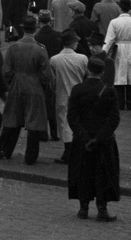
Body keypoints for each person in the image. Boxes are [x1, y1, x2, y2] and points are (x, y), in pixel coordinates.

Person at [67, 56, 121, 222]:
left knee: (83, 172)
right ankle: (102, 210)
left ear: (87, 70)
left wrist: (84, 137)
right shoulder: (110, 91)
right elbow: (114, 119)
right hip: (103, 142)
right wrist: (98, 138)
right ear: (102, 72)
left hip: (82, 142)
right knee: (103, 173)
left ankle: (83, 208)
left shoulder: (77, 90)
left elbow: (72, 117)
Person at [0, 16, 51, 165]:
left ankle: (4, 151)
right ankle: (30, 157)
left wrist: (12, 80)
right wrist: (42, 84)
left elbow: (6, 71)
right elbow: (46, 74)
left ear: (22, 29)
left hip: (16, 84)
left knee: (12, 118)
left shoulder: (13, 47)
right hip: (34, 85)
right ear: (35, 28)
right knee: (34, 122)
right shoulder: (40, 48)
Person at [49, 30, 89, 164]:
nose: (77, 43)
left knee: (65, 124)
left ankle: (68, 152)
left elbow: (52, 80)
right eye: (76, 41)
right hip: (80, 95)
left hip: (62, 95)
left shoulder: (54, 60)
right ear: (71, 43)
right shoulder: (83, 58)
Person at [102, 0, 131, 109]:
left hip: (118, 48)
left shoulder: (114, 22)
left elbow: (109, 39)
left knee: (118, 76)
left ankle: (119, 103)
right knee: (130, 76)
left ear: (120, 8)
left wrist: (103, 52)